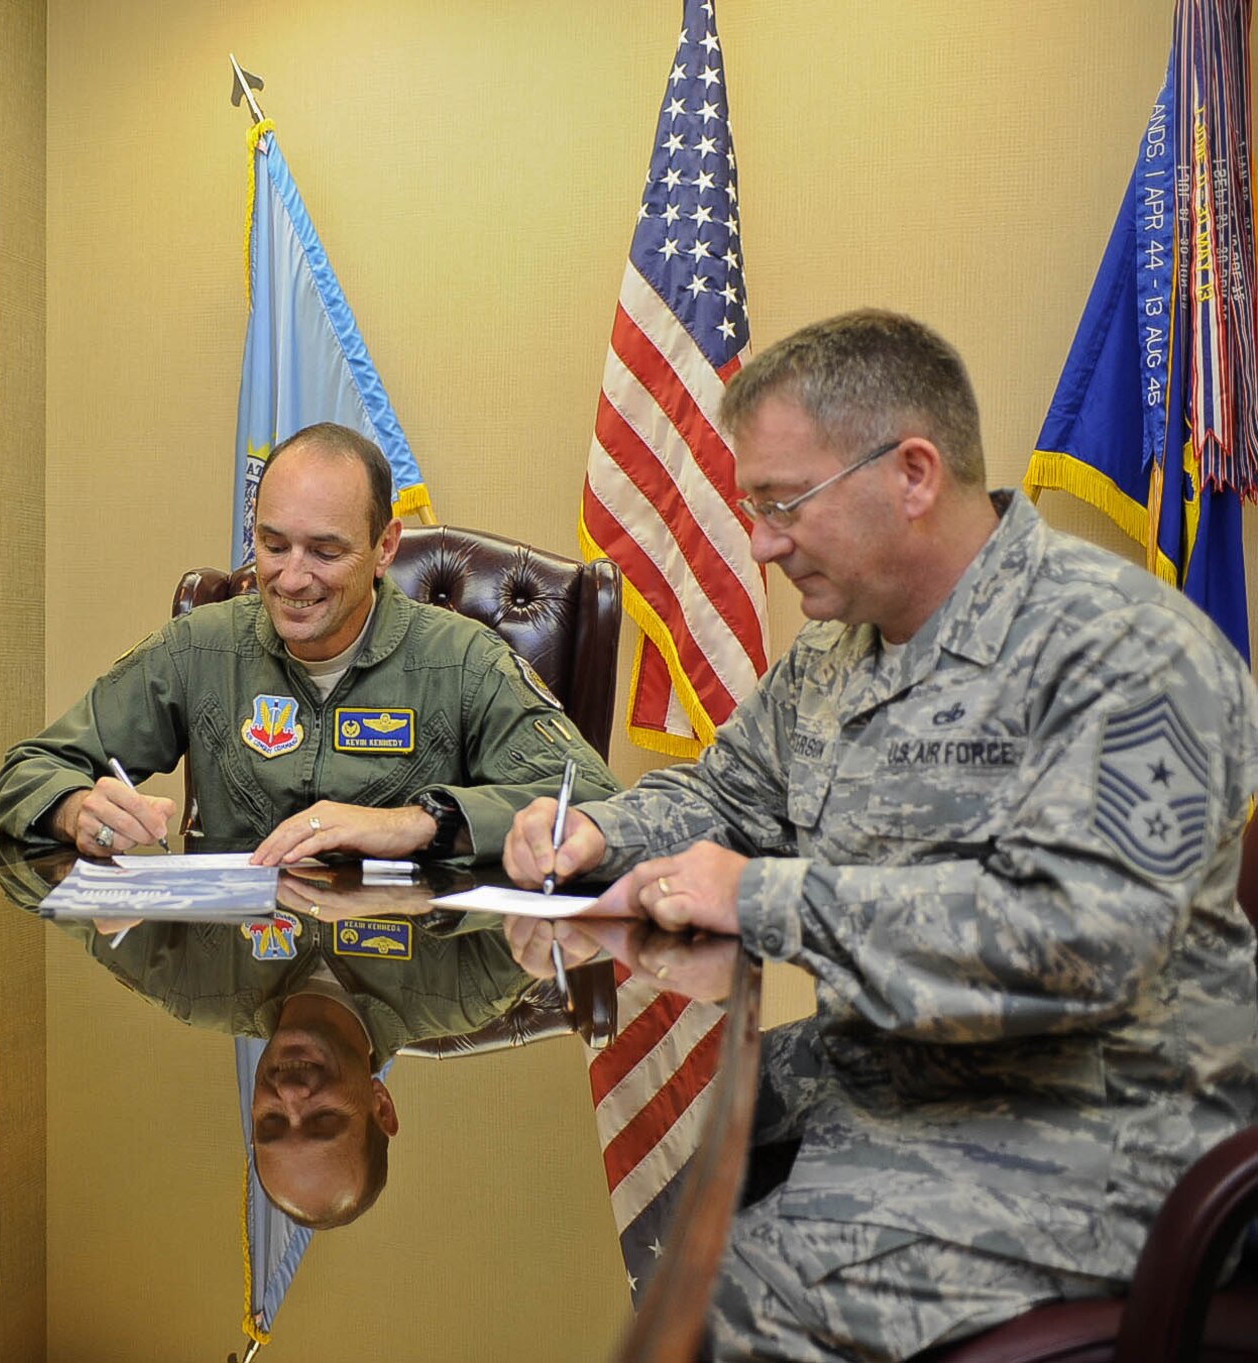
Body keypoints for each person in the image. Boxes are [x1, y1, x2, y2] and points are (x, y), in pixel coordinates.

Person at [502, 309, 1258, 1360]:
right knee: (668, 1213)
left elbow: (1081, 942)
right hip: (898, 1078)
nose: (760, 543)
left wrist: (760, 897)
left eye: (780, 504)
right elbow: (728, 795)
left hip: (1096, 1123)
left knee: (725, 1307)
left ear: (910, 473)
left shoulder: (1124, 651)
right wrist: (594, 832)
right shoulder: (833, 656)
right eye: (749, 507)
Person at [0, 421, 617, 864]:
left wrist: (416, 823)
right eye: (272, 545)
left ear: (385, 548)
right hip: (244, 961)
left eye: (325, 551)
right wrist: (77, 810)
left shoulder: (463, 661)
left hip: (415, 962)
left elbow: (594, 801)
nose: (291, 579)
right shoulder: (198, 649)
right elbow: (27, 772)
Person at [0, 839, 542, 1227]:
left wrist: (84, 830)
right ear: (381, 1103)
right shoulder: (469, 988)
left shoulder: (195, 986)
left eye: (271, 1122)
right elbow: (563, 863)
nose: (291, 1096)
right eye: (325, 1119)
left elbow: (19, 872)